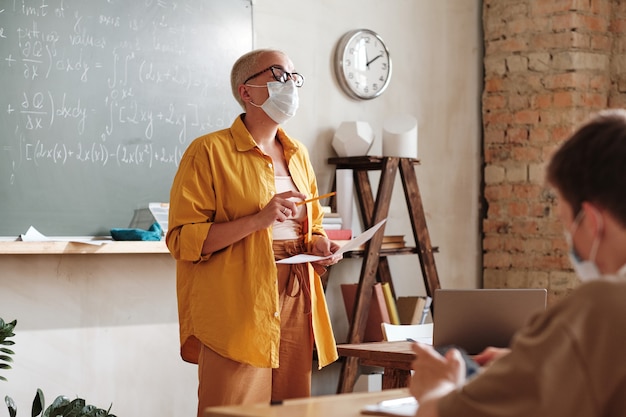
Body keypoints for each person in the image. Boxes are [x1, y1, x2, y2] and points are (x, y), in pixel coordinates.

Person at [409, 109, 626, 417]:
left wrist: (437, 386)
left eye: (567, 224)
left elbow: (442, 413)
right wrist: (537, 362)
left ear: (591, 221)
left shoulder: (601, 307)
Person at [166, 49, 341, 415]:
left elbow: (314, 224)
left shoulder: (298, 153)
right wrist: (257, 220)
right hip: (239, 300)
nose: (291, 84)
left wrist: (321, 243)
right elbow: (182, 240)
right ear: (247, 92)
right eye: (280, 75)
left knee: (291, 408)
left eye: (295, 76)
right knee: (233, 407)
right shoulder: (208, 151)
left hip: (297, 294)